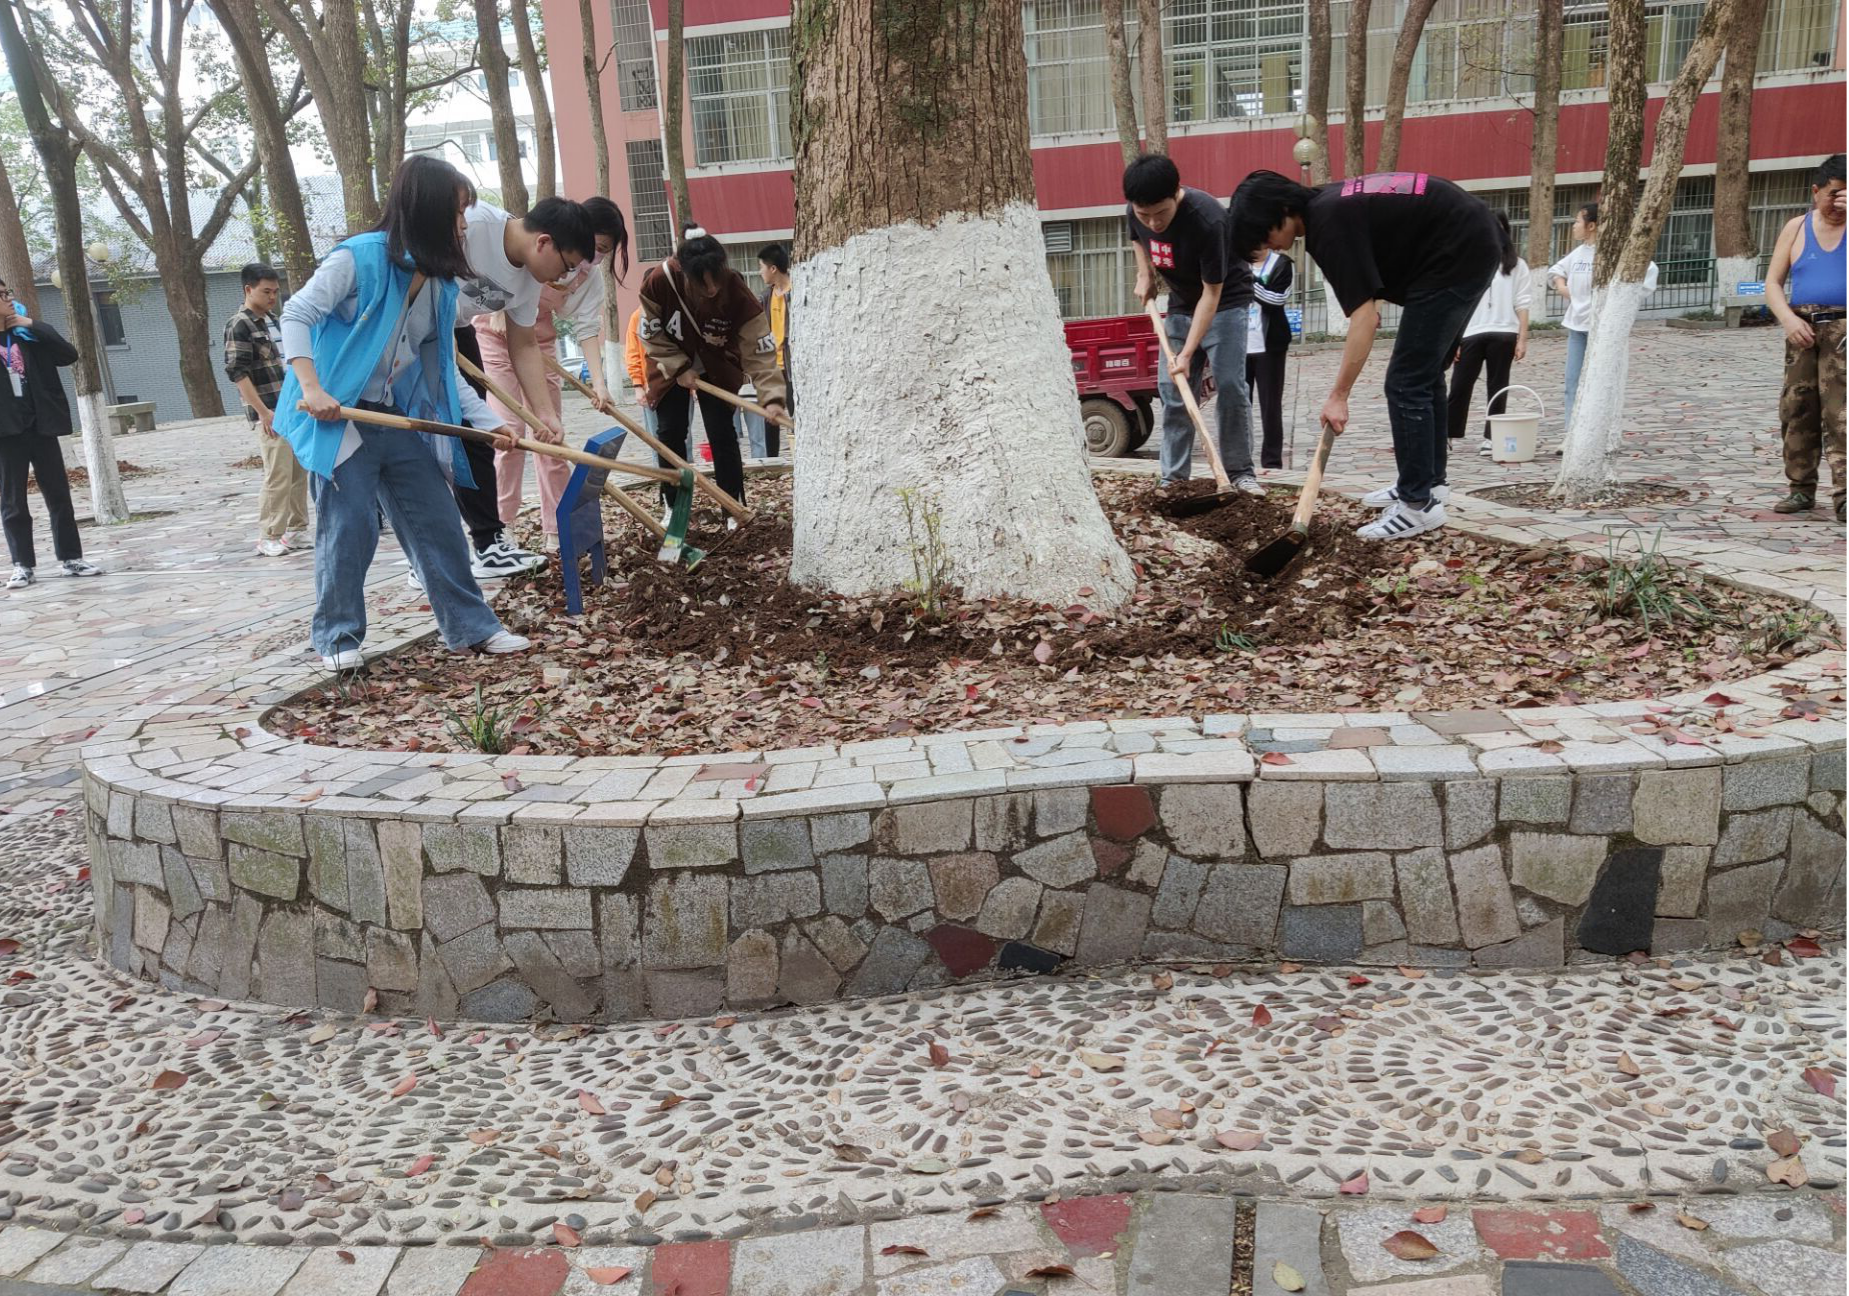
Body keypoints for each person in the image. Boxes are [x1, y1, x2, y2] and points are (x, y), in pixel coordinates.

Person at [275, 155, 529, 671]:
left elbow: (444, 371)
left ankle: (473, 627)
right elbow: (296, 314)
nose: (464, 225)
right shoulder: (358, 258)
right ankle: (337, 638)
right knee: (350, 527)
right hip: (337, 417)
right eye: (458, 212)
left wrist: (490, 426)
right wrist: (313, 387)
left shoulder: (439, 284)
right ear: (428, 211)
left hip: (391, 416)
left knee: (438, 519)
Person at [1229, 169, 1501, 540]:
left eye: (1264, 235)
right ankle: (1428, 485)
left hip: (1456, 253)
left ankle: (1417, 505)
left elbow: (1364, 319)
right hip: (1470, 240)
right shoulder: (1328, 205)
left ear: (1282, 210)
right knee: (1424, 375)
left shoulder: (1328, 223)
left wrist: (1338, 395)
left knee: (1405, 382)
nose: (1270, 246)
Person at [450, 195, 595, 578]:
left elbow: (525, 344)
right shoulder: (474, 225)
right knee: (443, 440)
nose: (561, 279)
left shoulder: (529, 278)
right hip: (418, 327)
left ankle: (489, 543)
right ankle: (433, 553)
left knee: (476, 438)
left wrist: (544, 414)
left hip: (457, 329)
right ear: (544, 242)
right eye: (565, 267)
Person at [477, 195, 631, 550]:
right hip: (495, 337)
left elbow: (586, 328)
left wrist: (600, 385)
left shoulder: (587, 276)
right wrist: (498, 307)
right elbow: (487, 279)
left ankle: (558, 528)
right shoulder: (524, 243)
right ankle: (500, 527)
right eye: (595, 247)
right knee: (509, 433)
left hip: (537, 344)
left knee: (550, 433)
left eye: (602, 252)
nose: (591, 259)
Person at [1123, 154, 1261, 494]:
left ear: (1177, 193)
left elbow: (1211, 296)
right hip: (1181, 303)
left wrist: (1186, 354)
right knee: (1173, 391)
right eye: (1144, 214)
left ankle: (1240, 474)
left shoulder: (1208, 219)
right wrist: (1145, 273)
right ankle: (1173, 479)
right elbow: (1137, 236)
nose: (1153, 222)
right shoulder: (1136, 210)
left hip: (1225, 302)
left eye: (1161, 213)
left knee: (1230, 386)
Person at [637, 228, 787, 519]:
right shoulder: (660, 281)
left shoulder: (734, 287)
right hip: (668, 366)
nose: (711, 289)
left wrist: (771, 397)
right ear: (684, 273)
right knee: (670, 433)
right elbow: (650, 333)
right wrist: (679, 367)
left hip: (717, 365)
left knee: (722, 433)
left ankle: (732, 507)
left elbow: (758, 346)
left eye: (715, 279)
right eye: (701, 282)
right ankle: (673, 508)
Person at [1, 282, 103, 588]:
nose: (9, 299)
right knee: (13, 501)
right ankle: (22, 565)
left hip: (41, 426)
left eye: (9, 293)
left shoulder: (28, 336)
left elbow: (68, 354)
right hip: (7, 432)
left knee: (59, 495)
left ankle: (71, 558)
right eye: (2, 295)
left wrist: (32, 324)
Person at [1764, 152, 1847, 521]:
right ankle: (1800, 488)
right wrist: (1787, 319)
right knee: (1797, 409)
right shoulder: (1796, 228)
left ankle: (1845, 495)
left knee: (1842, 413)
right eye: (1834, 194)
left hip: (1843, 331)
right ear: (1816, 191)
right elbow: (1772, 282)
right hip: (1803, 329)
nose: (1838, 203)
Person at [1548, 201, 1658, 436]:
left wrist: (1620, 301)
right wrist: (1562, 287)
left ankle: (1601, 434)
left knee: (1601, 384)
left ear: (1592, 226)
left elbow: (1649, 272)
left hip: (1603, 329)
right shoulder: (1578, 253)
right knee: (1572, 383)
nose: (1574, 225)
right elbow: (1556, 270)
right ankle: (1571, 435)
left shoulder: (1614, 252)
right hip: (1577, 327)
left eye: (1577, 221)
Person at [223, 262, 309, 556]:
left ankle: (296, 530)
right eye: (266, 291)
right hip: (270, 410)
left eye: (275, 291)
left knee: (298, 472)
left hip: (294, 406)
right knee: (278, 474)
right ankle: (270, 534)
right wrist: (262, 412)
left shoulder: (275, 320)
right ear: (248, 290)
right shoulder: (239, 324)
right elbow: (237, 372)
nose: (272, 297)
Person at [1447, 211, 1531, 457]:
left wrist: (1522, 338)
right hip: (1471, 332)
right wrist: (1454, 339)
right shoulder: (1467, 263)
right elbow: (1457, 303)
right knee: (1460, 385)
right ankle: (1447, 434)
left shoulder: (1517, 265)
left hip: (1504, 333)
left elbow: (1523, 303)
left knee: (1498, 386)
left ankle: (1491, 437)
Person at [1245, 245, 1294, 470]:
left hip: (1270, 346)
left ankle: (1272, 462)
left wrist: (1246, 280)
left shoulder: (1281, 264)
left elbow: (1276, 299)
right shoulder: (1236, 262)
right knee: (1238, 405)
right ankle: (1240, 460)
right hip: (1239, 345)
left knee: (1270, 405)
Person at [750, 243, 794, 459]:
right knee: (770, 416)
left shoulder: (796, 292)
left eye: (762, 267)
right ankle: (772, 461)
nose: (760, 272)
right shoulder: (765, 297)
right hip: (772, 366)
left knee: (797, 413)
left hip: (792, 366)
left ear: (773, 268)